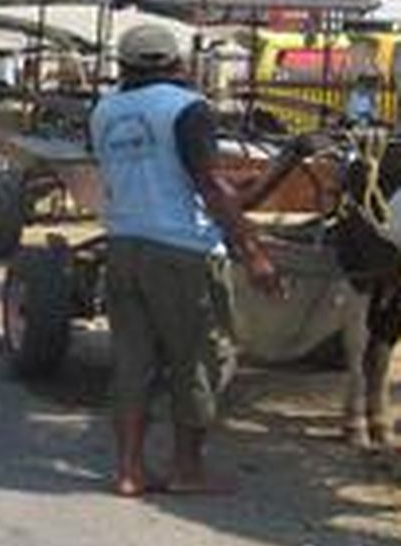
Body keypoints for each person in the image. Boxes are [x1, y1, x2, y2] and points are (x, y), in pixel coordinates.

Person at [89, 24, 280, 498]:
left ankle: (130, 471)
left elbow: (152, 169)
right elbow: (210, 186)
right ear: (176, 64)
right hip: (183, 252)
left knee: (132, 360)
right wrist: (253, 252)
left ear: (124, 66)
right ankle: (187, 470)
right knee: (201, 357)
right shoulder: (186, 108)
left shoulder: (104, 111)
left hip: (124, 245)